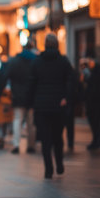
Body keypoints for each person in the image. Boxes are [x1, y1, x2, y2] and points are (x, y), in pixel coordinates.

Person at [28, 33, 73, 179]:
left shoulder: (37, 62)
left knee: (45, 139)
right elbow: (71, 82)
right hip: (58, 105)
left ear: (45, 44)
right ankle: (59, 163)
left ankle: (48, 169)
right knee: (57, 137)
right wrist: (66, 97)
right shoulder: (64, 61)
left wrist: (31, 103)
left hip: (41, 105)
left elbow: (32, 84)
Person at [4, 41, 37, 154]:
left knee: (17, 120)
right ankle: (31, 145)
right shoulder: (35, 60)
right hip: (32, 95)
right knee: (31, 122)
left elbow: (6, 75)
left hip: (18, 95)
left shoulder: (14, 61)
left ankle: (16, 144)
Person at [82, 58, 100, 150]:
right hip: (96, 104)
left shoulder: (95, 75)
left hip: (94, 104)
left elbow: (92, 89)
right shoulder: (98, 75)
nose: (90, 65)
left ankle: (97, 141)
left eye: (91, 63)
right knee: (96, 123)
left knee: (95, 123)